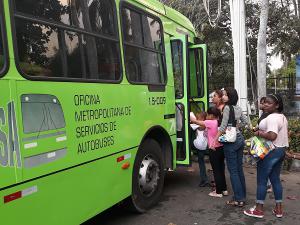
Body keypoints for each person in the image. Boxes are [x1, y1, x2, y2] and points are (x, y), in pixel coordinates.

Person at [244, 94, 288, 219]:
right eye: (265, 103)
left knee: (262, 181)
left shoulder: (273, 118)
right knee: (275, 180)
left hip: (270, 152)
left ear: (277, 105)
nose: (265, 105)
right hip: (280, 151)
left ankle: (258, 210)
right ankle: (279, 209)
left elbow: (272, 135)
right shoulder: (282, 117)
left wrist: (258, 132)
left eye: (269, 103)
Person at [216, 87, 248, 206]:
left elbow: (223, 126)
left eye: (224, 95)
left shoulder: (227, 108)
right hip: (239, 139)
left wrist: (215, 139)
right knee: (239, 170)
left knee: (233, 171)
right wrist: (236, 127)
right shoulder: (238, 108)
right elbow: (246, 122)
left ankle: (239, 199)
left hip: (231, 142)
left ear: (229, 97)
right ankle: (241, 195)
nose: (222, 96)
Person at [191, 107, 228, 197]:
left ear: (212, 115)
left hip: (213, 149)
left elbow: (195, 121)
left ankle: (218, 192)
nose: (207, 116)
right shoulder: (219, 122)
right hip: (221, 148)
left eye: (207, 114)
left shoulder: (210, 122)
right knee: (221, 170)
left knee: (216, 171)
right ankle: (224, 189)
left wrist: (189, 114)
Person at [190, 111, 210, 187]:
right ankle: (205, 179)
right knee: (202, 164)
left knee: (201, 164)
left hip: (200, 147)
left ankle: (204, 179)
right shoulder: (207, 125)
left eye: (198, 118)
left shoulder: (197, 126)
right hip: (205, 147)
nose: (197, 120)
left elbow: (191, 124)